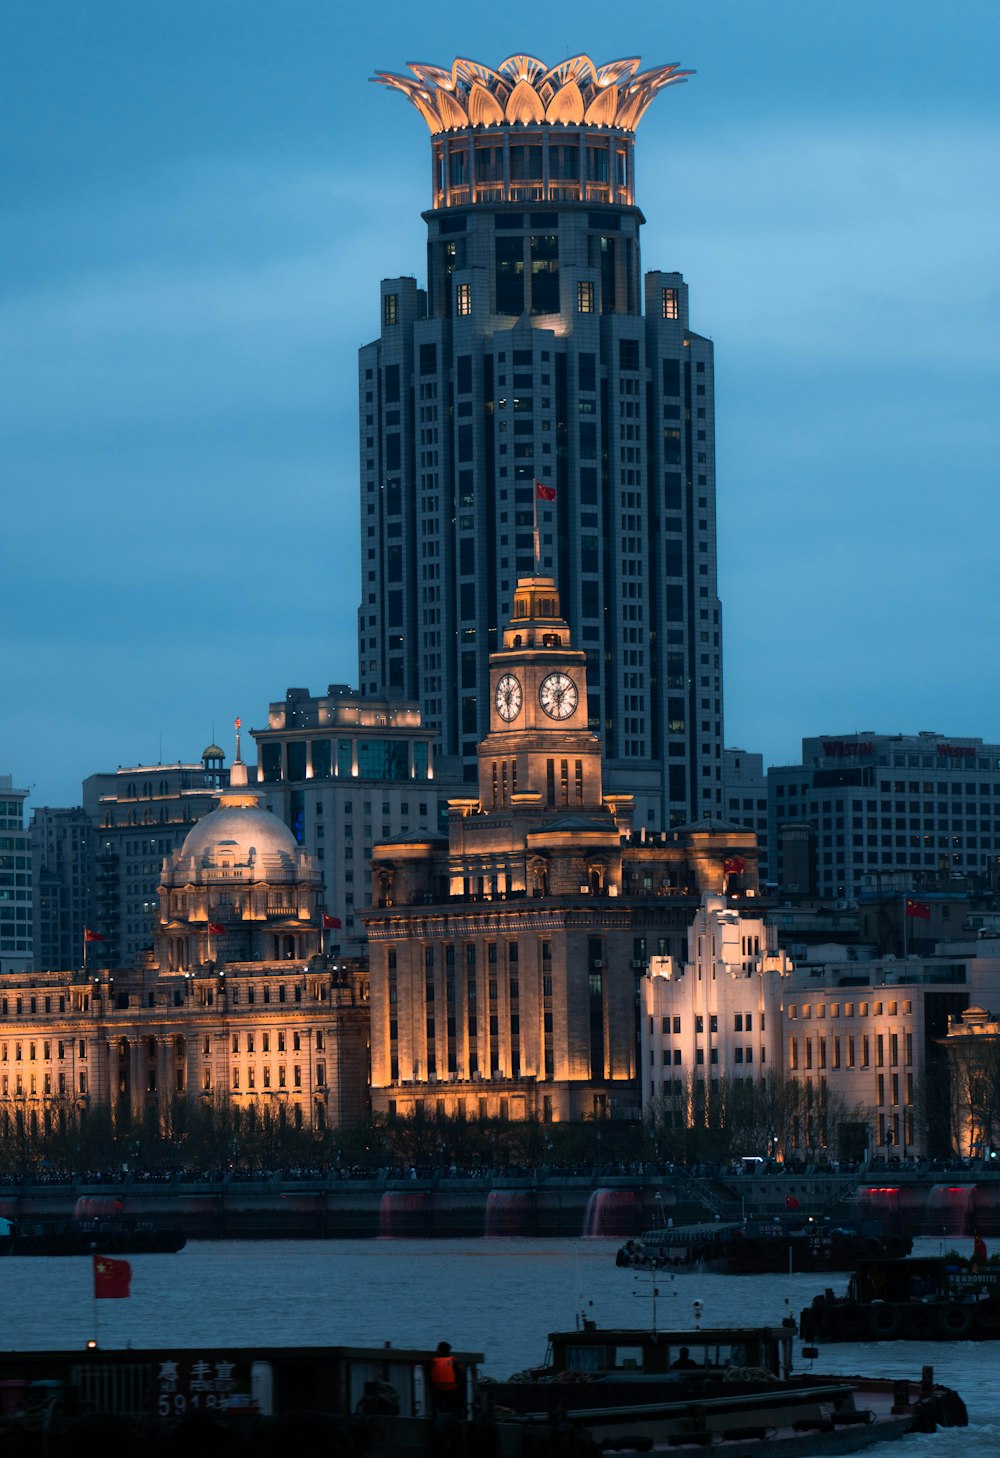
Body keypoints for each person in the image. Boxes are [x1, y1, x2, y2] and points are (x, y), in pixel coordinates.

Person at [429, 1340, 463, 1415]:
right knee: (451, 1409)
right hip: (451, 1389)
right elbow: (459, 1375)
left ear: (439, 1350)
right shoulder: (452, 1361)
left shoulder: (434, 1361)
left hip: (437, 1389)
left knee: (438, 1408)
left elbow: (430, 1375)